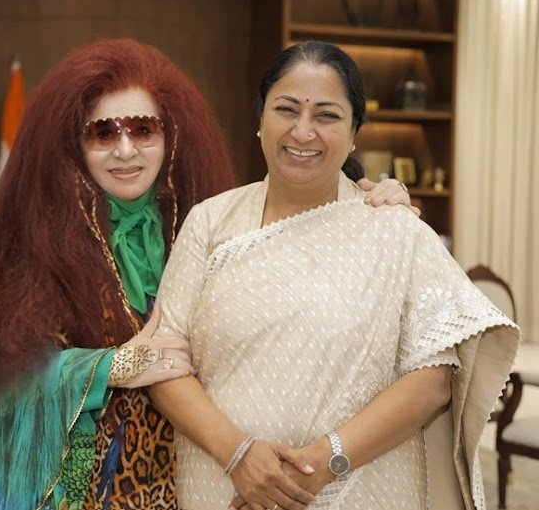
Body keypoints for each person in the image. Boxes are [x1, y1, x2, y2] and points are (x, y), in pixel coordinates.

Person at [0, 38, 413, 510]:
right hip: (81, 487)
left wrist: (363, 197)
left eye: (143, 130)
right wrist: (112, 367)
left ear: (170, 136)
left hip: (186, 480)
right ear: (74, 144)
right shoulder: (40, 238)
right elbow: (4, 377)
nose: (125, 151)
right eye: (103, 133)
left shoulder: (206, 220)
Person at [148, 41, 521, 510]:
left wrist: (324, 462)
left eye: (326, 115)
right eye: (286, 109)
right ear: (260, 120)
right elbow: (163, 363)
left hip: (361, 487)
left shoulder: (395, 229)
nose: (303, 131)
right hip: (221, 484)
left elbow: (433, 379)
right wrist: (239, 456)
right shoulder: (209, 222)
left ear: (354, 133)